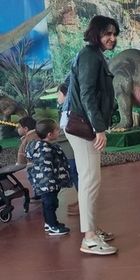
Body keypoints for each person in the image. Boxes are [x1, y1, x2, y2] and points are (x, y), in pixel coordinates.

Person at [65, 15, 119, 255]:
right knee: (89, 180)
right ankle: (89, 238)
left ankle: (93, 229)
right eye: (107, 33)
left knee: (91, 179)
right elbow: (86, 93)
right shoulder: (90, 55)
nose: (112, 38)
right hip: (82, 124)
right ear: (96, 33)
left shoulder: (93, 55)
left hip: (80, 120)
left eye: (115, 34)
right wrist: (99, 128)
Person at [24, 119, 72, 236]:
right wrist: (51, 181)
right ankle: (52, 225)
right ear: (50, 135)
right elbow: (46, 167)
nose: (59, 131)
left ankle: (50, 222)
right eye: (57, 130)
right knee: (50, 203)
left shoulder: (48, 147)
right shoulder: (45, 150)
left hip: (49, 182)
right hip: (47, 183)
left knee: (51, 202)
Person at [56, 82, 80, 217]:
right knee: (75, 174)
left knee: (76, 174)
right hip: (69, 150)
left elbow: (67, 131)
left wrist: (52, 137)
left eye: (59, 94)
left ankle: (83, 202)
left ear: (66, 95)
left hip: (71, 150)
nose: (58, 97)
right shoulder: (66, 109)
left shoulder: (69, 110)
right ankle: (80, 200)